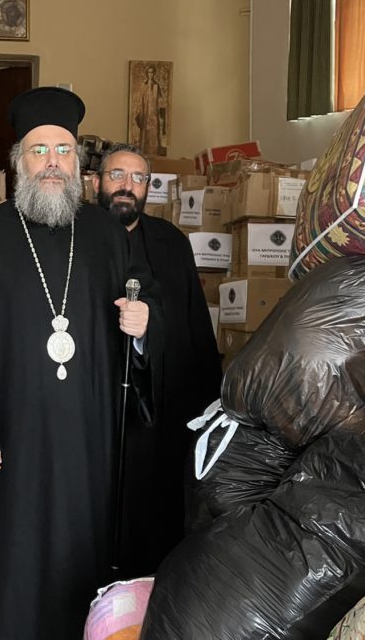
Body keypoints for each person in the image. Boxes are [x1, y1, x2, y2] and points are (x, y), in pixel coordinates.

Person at [0, 87, 150, 640]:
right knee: (11, 561)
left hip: (87, 437)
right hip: (6, 438)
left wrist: (143, 328)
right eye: (39, 150)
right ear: (18, 161)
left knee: (82, 553)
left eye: (63, 150)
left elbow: (136, 311)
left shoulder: (106, 236)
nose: (51, 162)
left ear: (78, 164)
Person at [94, 143, 222, 575]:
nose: (127, 186)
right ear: (96, 182)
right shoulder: (74, 239)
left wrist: (151, 330)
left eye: (138, 178)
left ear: (148, 187)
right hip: (93, 408)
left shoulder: (171, 244)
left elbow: (192, 329)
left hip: (158, 411)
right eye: (117, 175)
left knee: (152, 517)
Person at [134, 65, 166, 154]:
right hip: (146, 113)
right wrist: (140, 112)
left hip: (154, 114)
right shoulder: (144, 86)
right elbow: (140, 100)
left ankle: (154, 152)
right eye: (149, 72)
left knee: (154, 134)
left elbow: (160, 101)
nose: (150, 74)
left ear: (154, 73)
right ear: (147, 73)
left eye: (152, 72)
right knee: (145, 134)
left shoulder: (156, 86)